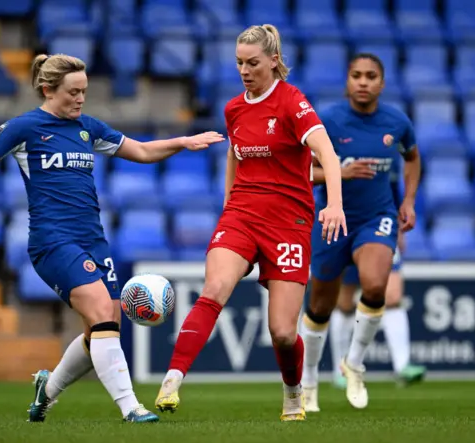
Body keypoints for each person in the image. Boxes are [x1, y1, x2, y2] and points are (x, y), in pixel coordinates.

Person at [0, 53, 224, 424]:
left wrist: (183, 141)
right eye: (73, 92)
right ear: (48, 90)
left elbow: (142, 151)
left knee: (101, 324)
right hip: (53, 241)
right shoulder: (25, 128)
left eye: (84, 91)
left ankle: (45, 393)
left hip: (93, 239)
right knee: (101, 314)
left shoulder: (88, 127)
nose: (80, 99)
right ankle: (131, 407)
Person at [153, 24, 346, 422]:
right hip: (242, 214)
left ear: (273, 61)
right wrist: (228, 205)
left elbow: (326, 152)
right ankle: (172, 378)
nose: (244, 70)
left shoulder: (292, 102)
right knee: (216, 286)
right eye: (239, 62)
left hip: (289, 221)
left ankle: (293, 391)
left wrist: (336, 205)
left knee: (282, 332)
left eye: (252, 62)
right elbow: (234, 155)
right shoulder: (234, 108)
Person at [299, 53, 422, 412]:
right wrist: (341, 172)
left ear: (382, 83)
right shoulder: (329, 122)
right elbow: (302, 169)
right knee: (320, 305)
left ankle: (354, 364)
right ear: (347, 81)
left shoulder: (397, 123)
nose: (364, 81)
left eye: (371, 76)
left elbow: (412, 158)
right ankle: (308, 382)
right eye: (356, 75)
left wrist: (409, 201)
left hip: (377, 217)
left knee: (374, 284)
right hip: (333, 219)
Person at [328, 159, 426, 392]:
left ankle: (402, 366)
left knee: (392, 296)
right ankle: (340, 369)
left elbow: (391, 188)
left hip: (380, 226)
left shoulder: (387, 143)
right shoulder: (338, 136)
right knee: (344, 302)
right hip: (345, 228)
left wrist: (397, 226)